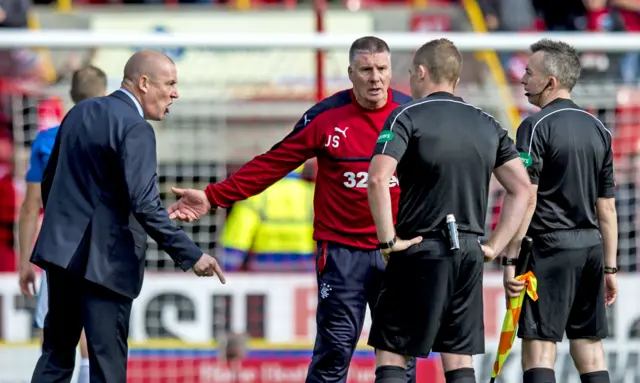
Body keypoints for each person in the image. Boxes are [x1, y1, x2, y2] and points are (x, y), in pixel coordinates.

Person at [167, 36, 418, 383]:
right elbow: (274, 162)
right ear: (350, 73)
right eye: (365, 69)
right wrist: (214, 197)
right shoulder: (326, 117)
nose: (375, 78)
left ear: (392, 72)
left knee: (399, 355)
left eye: (381, 69)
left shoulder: (412, 114)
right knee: (334, 350)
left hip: (398, 250)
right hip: (342, 253)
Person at [28, 50, 226, 383]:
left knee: (56, 357)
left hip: (62, 257)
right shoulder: (136, 128)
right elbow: (144, 204)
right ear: (144, 83)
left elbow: (53, 182)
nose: (175, 93)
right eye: (171, 83)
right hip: (106, 265)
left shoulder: (79, 112)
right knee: (107, 366)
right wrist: (192, 255)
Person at [365, 38, 532, 383]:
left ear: (422, 73)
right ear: (455, 80)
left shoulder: (406, 115)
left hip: (418, 247)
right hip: (469, 253)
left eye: (411, 73)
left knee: (393, 352)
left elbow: (378, 180)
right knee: (458, 359)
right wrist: (494, 247)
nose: (410, 81)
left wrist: (387, 243)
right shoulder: (486, 122)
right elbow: (523, 188)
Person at [504, 38, 618, 383]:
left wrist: (510, 259)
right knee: (590, 347)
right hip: (591, 250)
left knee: (539, 349)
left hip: (549, 249)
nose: (523, 79)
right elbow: (607, 209)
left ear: (550, 82)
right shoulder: (599, 129)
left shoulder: (534, 126)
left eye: (529, 73)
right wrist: (610, 267)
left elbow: (526, 197)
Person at [18, 65, 108, 383]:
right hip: (103, 248)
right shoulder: (116, 135)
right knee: (94, 335)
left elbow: (31, 207)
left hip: (59, 249)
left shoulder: (47, 140)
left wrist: (24, 263)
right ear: (105, 96)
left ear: (70, 96)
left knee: (55, 338)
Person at [219, 164, 316, 272]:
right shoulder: (312, 193)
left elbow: (239, 234)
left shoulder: (256, 193)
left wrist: (228, 269)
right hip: (303, 268)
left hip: (264, 268)